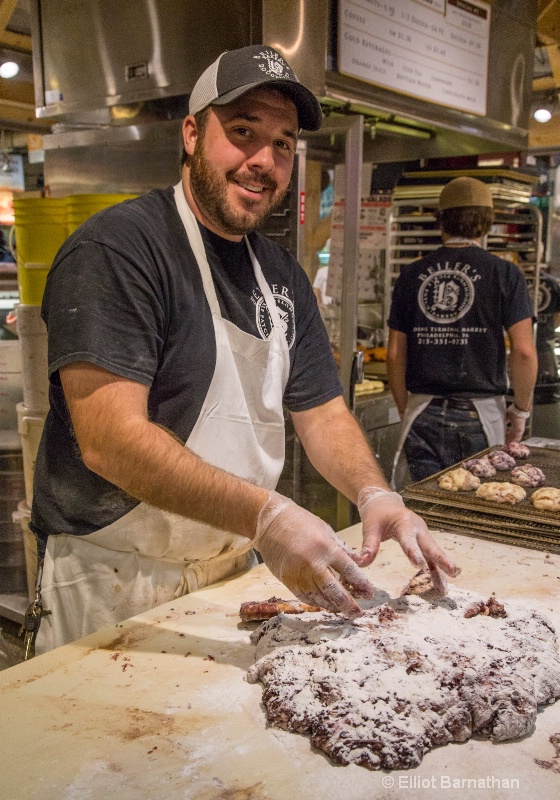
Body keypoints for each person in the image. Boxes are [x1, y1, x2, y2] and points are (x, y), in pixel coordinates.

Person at [31, 45, 459, 653]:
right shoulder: (119, 250)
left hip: (231, 572)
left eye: (283, 143)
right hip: (112, 582)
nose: (264, 160)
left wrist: (373, 491)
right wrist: (269, 516)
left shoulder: (279, 273)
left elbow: (323, 411)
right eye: (242, 132)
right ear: (190, 133)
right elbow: (109, 440)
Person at [387, 176, 538, 488]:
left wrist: (408, 408)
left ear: (442, 220)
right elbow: (524, 352)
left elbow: (394, 354)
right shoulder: (506, 274)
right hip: (481, 416)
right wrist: (521, 412)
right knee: (476, 513)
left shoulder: (411, 274)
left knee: (419, 512)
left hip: (422, 411)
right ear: (487, 223)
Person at [528, 268, 560, 385]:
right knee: (549, 385)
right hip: (546, 342)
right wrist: (549, 329)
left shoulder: (516, 280)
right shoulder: (552, 282)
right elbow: (558, 315)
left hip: (519, 341)